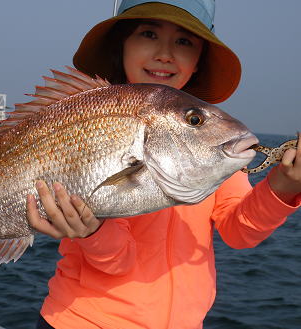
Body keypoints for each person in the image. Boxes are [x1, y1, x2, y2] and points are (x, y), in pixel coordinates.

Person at [26, 1, 301, 328]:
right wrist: (94, 231)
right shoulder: (96, 121)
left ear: (199, 61)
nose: (165, 53)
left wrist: (283, 187)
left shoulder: (210, 142)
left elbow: (238, 232)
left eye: (184, 41)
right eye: (148, 33)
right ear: (121, 46)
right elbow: (116, 263)